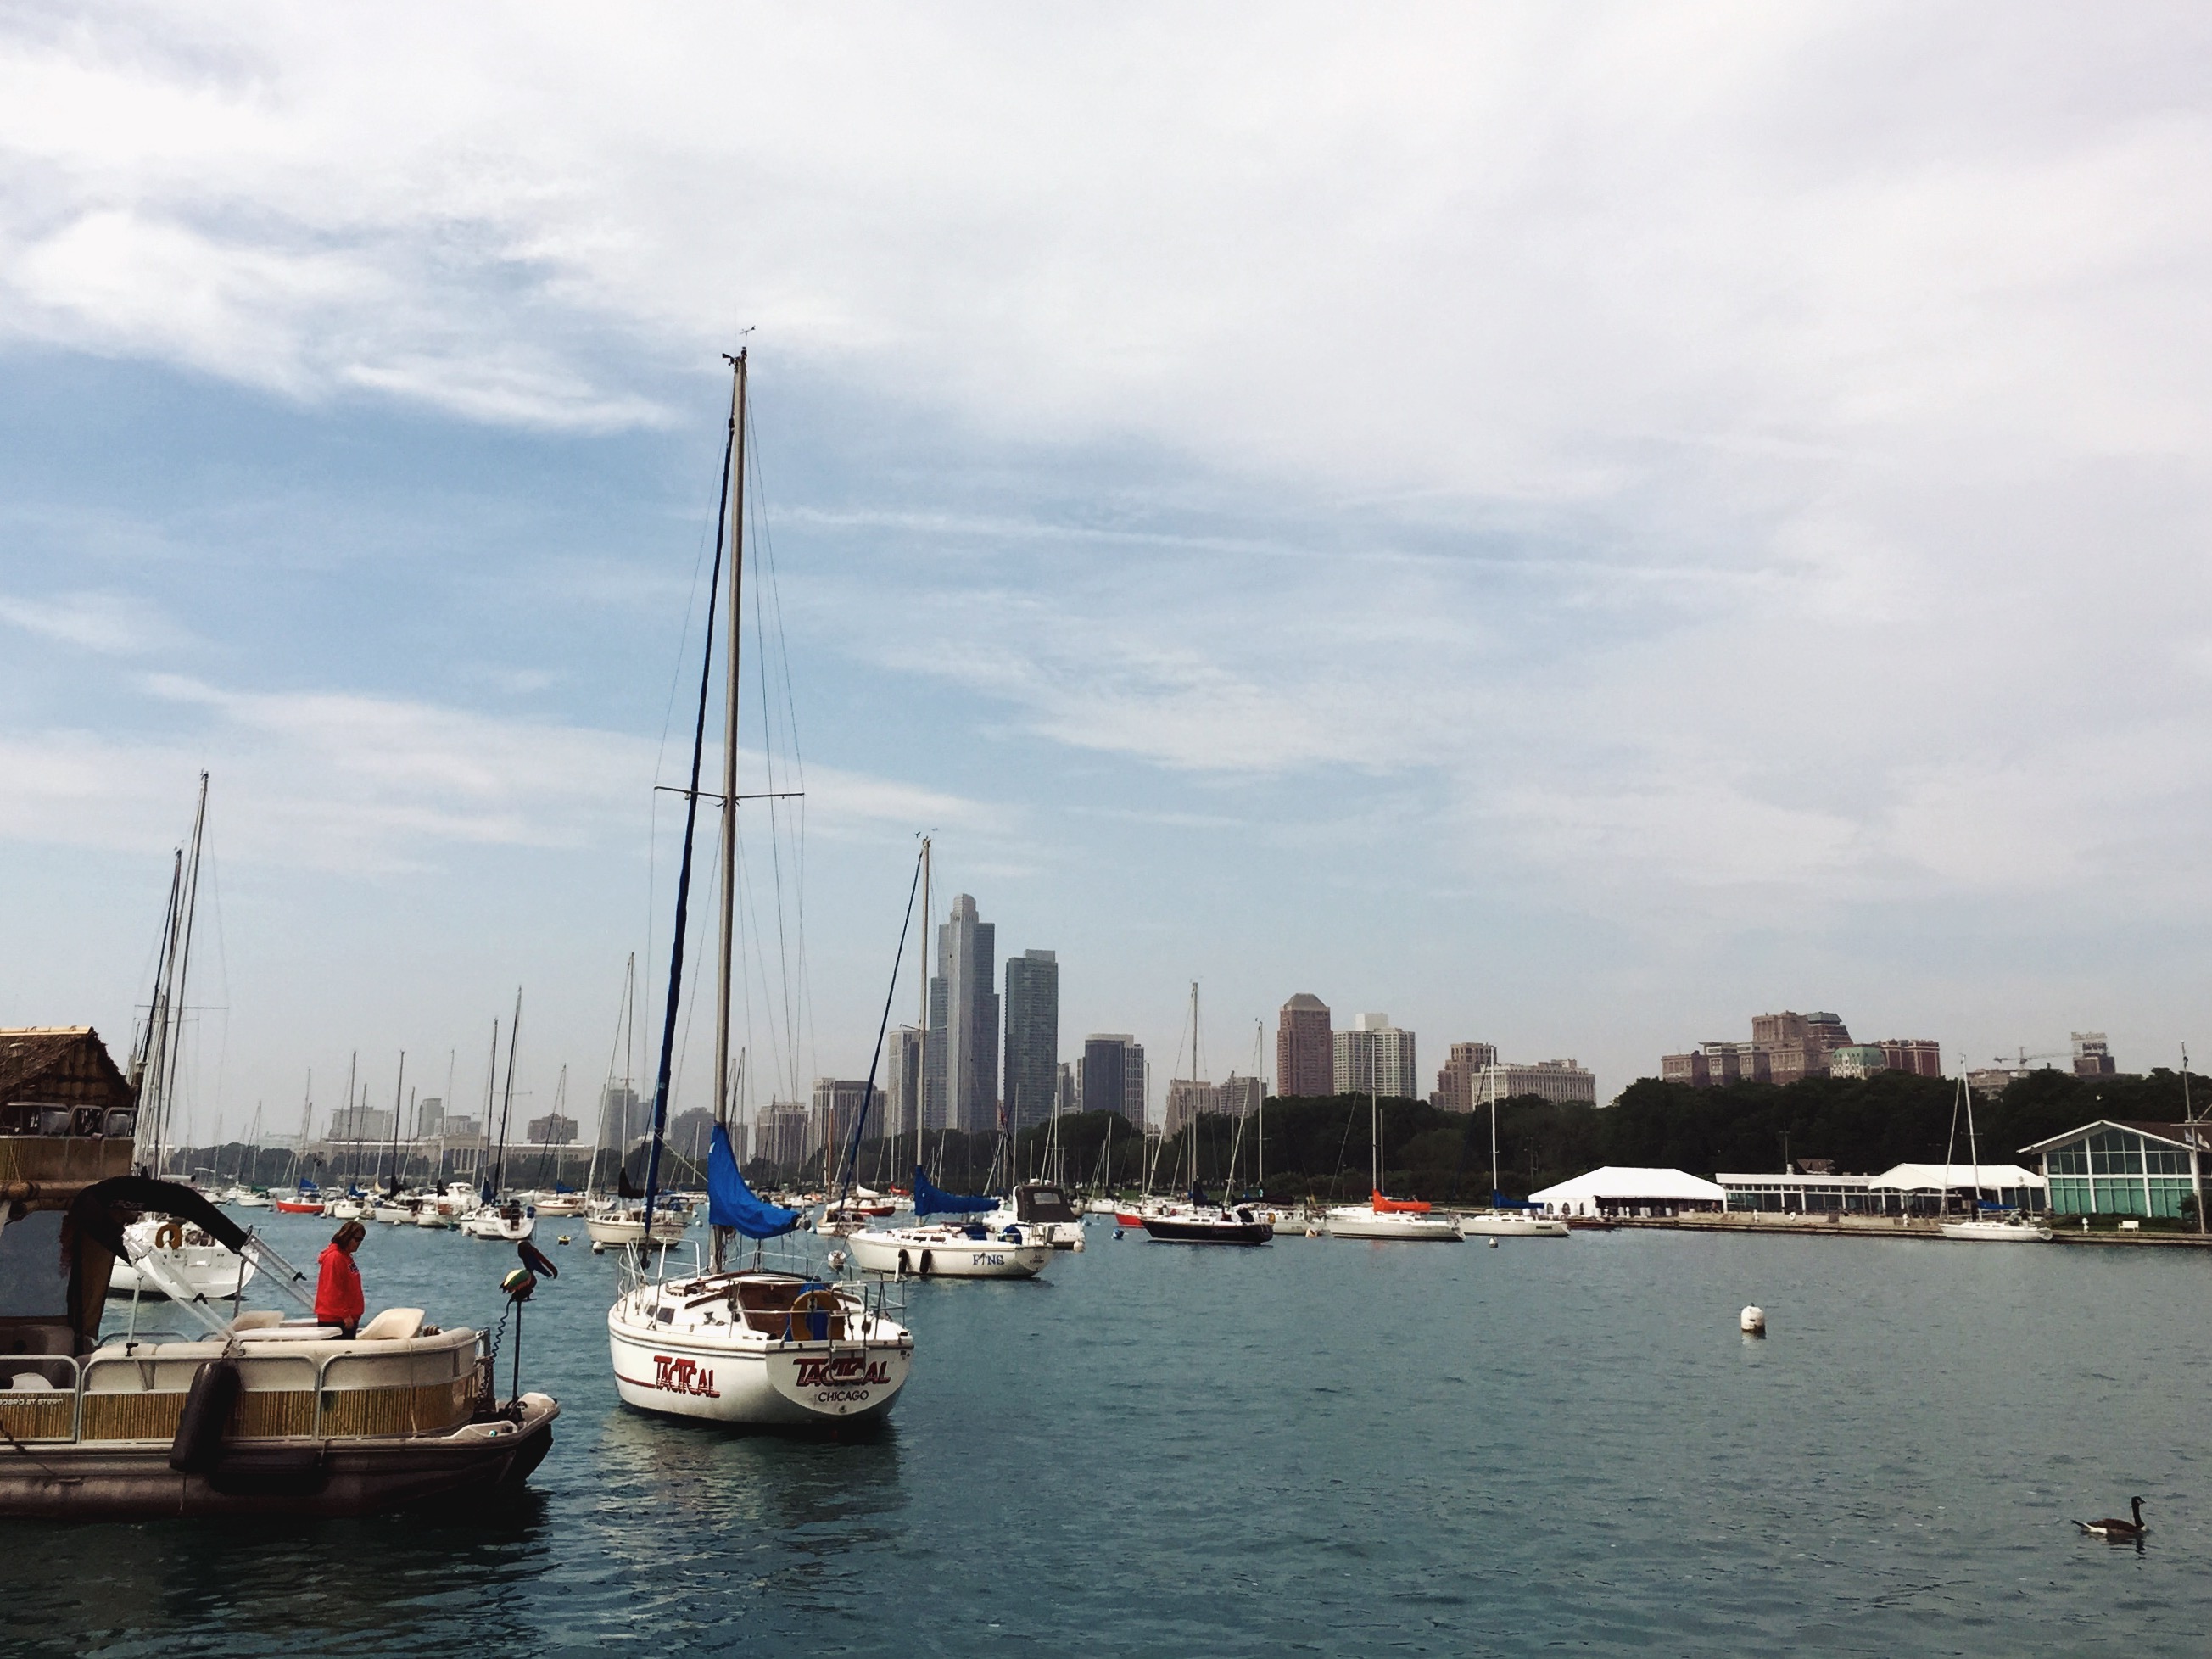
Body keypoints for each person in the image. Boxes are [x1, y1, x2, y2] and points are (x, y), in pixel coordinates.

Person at [316, 1220, 367, 1338]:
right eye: (357, 1239)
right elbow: (332, 1290)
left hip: (347, 1317)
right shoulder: (335, 1257)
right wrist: (345, 1315)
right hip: (337, 1320)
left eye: (361, 1240)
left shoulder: (346, 1257)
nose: (359, 1243)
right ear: (347, 1237)